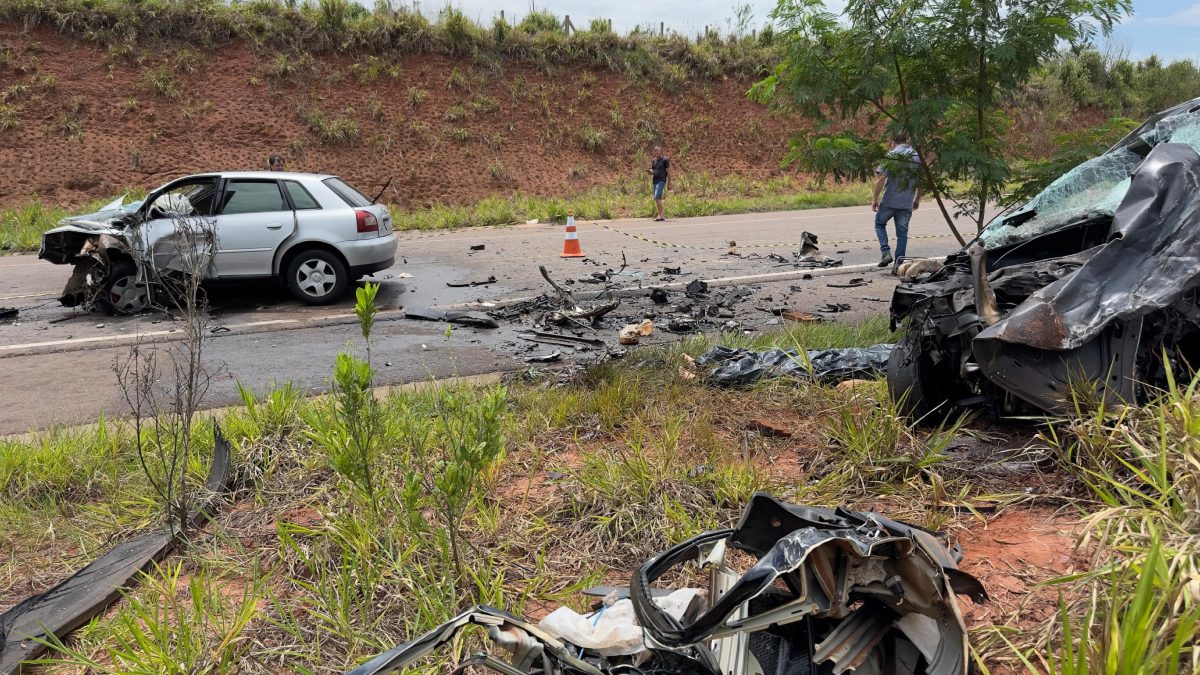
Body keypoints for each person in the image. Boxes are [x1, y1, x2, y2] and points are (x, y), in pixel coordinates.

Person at [872, 134, 921, 270]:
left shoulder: (891, 156)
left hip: (889, 201)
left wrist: (875, 199)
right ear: (906, 142)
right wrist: (917, 199)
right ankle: (898, 265)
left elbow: (881, 178)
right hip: (906, 203)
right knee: (902, 235)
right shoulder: (917, 156)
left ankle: (886, 252)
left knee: (879, 224)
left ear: (893, 143)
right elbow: (921, 180)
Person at [646, 146, 669, 221]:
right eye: (655, 152)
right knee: (657, 198)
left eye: (658, 151)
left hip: (661, 180)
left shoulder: (665, 160)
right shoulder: (654, 161)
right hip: (655, 181)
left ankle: (661, 215)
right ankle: (660, 214)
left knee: (657, 197)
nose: (657, 153)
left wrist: (670, 182)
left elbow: (668, 171)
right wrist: (650, 172)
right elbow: (654, 171)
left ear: (660, 152)